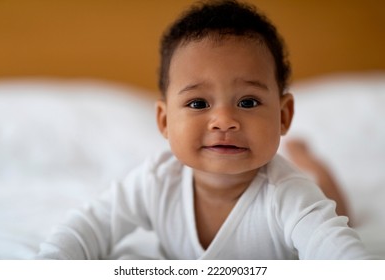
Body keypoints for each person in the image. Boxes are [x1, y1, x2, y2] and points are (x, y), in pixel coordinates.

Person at [36, 0, 373, 259]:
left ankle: (309, 160)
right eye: (198, 104)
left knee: (338, 207)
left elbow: (335, 249)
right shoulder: (156, 182)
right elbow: (90, 225)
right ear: (165, 121)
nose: (224, 120)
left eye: (248, 102)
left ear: (283, 116)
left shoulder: (289, 195)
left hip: (312, 193)